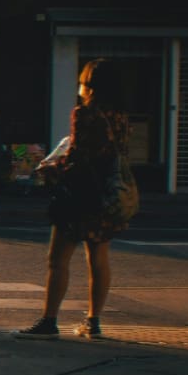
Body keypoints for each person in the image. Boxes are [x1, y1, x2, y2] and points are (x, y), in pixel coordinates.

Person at [18, 58, 133, 340]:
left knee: (58, 260)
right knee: (99, 259)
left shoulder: (84, 114)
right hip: (106, 196)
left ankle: (49, 320)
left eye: (82, 82)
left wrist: (51, 168)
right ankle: (93, 322)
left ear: (90, 85)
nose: (79, 87)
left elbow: (78, 158)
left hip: (78, 198)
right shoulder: (121, 116)